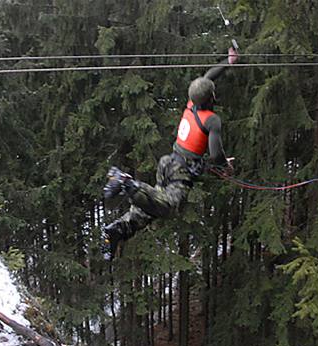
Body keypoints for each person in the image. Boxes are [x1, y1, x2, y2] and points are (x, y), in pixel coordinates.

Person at [101, 47, 238, 260]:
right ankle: (127, 183)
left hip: (169, 162)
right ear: (211, 97)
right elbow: (215, 154)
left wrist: (228, 62)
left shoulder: (192, 103)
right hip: (180, 170)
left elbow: (207, 77)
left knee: (153, 207)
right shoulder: (211, 120)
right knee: (169, 207)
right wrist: (224, 166)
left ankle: (118, 230)